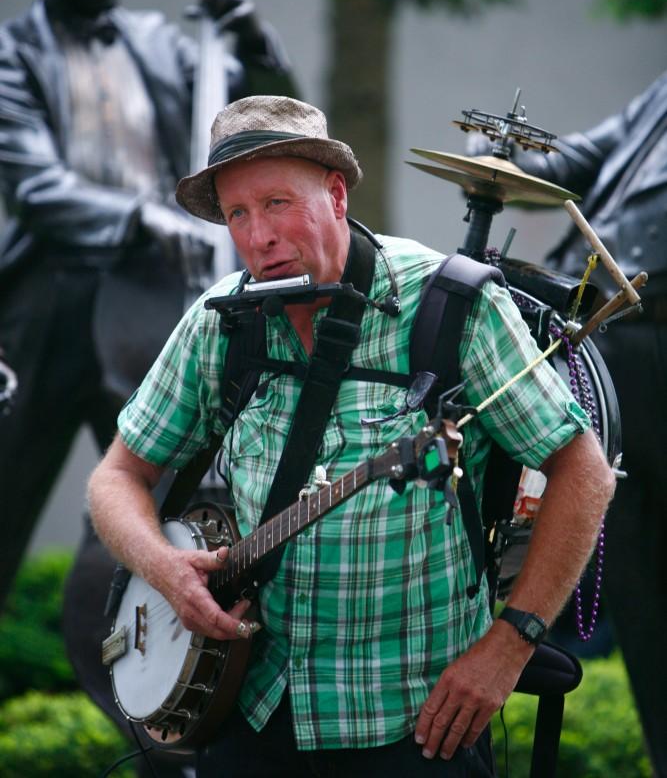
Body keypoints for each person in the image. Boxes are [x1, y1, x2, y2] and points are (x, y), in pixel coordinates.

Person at [87, 94, 614, 777]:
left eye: (277, 203)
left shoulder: (451, 310)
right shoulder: (221, 320)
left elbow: (583, 472)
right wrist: (163, 567)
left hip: (418, 728)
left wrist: (508, 645)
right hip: (248, 710)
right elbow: (116, 477)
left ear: (336, 195)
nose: (258, 236)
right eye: (237, 214)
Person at [0, 0, 295, 614]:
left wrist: (250, 33)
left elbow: (262, 121)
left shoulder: (164, 43)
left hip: (153, 298)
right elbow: (33, 186)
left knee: (169, 494)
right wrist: (139, 216)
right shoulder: (10, 57)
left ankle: (158, 681)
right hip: (51, 304)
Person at [477, 80, 667, 776]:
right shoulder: (659, 95)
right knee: (636, 593)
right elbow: (568, 162)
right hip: (616, 354)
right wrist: (496, 155)